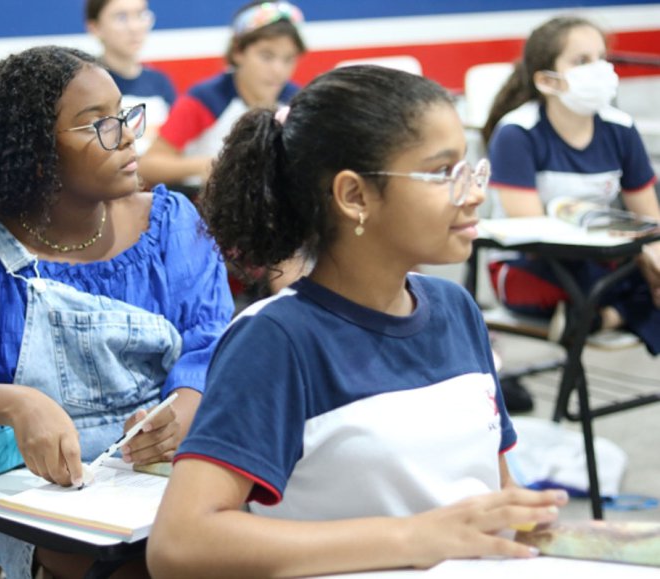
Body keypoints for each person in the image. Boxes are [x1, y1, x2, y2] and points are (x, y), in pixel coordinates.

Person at [146, 65, 569, 578]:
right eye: (441, 173)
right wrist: (414, 537)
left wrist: (531, 526)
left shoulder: (456, 309)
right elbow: (181, 543)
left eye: (469, 167)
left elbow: (493, 490)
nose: (474, 191)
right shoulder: (277, 339)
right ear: (354, 196)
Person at [0, 45, 233, 579]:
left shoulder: (172, 225)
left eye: (124, 114)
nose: (128, 135)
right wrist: (19, 406)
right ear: (37, 152)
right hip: (46, 497)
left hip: (164, 478)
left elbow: (212, 340)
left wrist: (187, 400)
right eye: (98, 126)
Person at [482, 15, 660, 355]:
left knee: (636, 279)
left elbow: (650, 224)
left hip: (606, 262)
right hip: (530, 267)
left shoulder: (621, 128)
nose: (599, 70)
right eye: (582, 61)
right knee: (598, 283)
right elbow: (534, 238)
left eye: (601, 58)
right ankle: (613, 312)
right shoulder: (517, 133)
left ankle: (601, 318)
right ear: (549, 81)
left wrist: (653, 266)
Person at [138, 0, 305, 189]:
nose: (278, 70)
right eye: (266, 56)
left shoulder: (297, 103)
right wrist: (206, 166)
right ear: (237, 52)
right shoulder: (205, 100)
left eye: (288, 59)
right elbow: (148, 165)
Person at [85, 0, 176, 155]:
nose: (135, 27)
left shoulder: (159, 82)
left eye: (141, 15)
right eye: (121, 18)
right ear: (95, 28)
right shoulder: (87, 84)